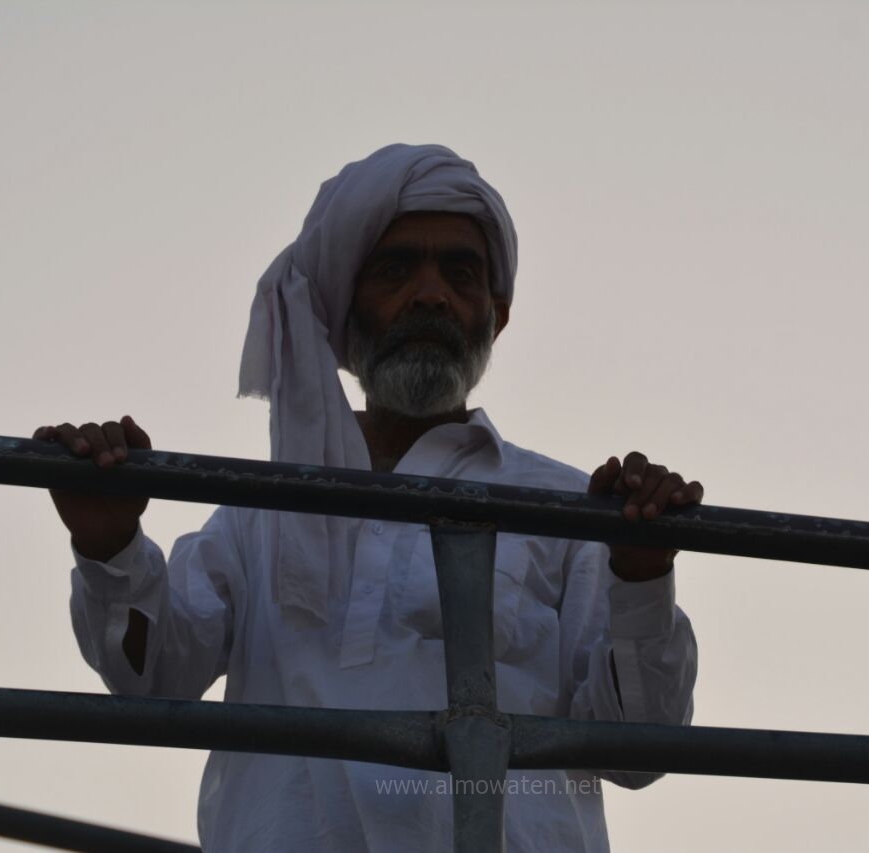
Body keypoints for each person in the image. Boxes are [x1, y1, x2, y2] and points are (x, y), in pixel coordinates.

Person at [36, 143, 700, 852]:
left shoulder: (564, 505)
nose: (430, 295)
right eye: (395, 269)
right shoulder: (261, 509)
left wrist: (642, 573)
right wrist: (109, 547)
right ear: (346, 310)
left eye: (460, 273)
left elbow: (638, 749)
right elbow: (154, 679)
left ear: (497, 314)